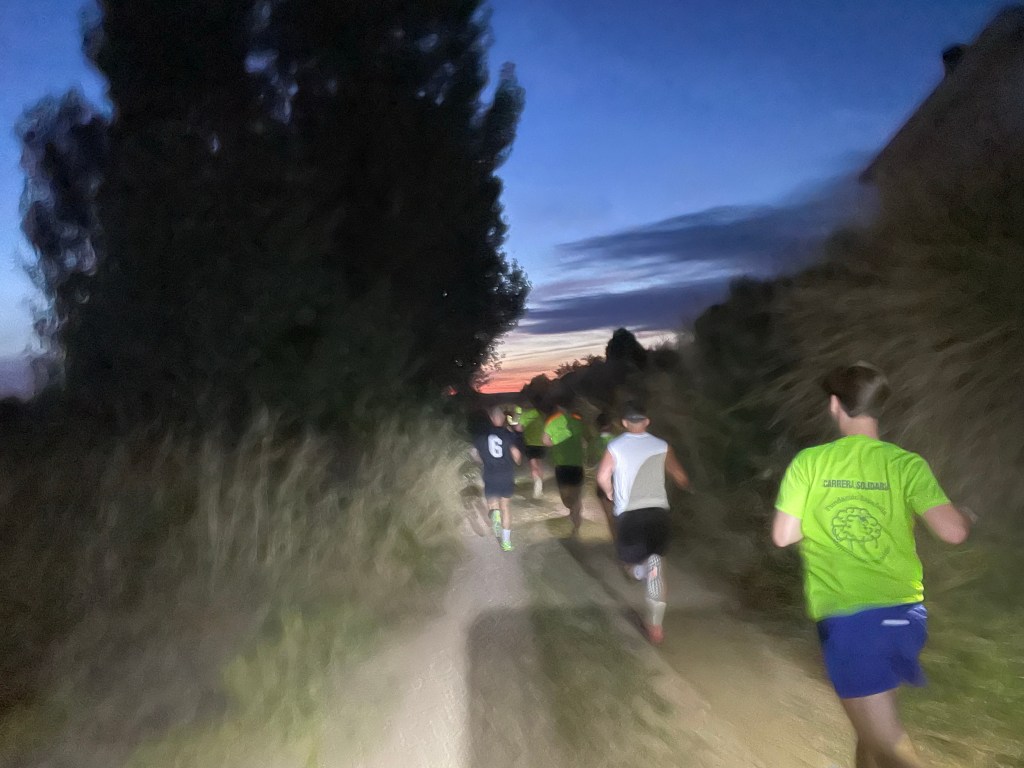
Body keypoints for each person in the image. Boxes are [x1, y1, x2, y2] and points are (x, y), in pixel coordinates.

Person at [771, 363, 972, 768]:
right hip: (905, 616)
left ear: (834, 406)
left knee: (889, 744)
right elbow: (953, 532)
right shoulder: (906, 464)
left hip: (850, 619)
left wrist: (822, 516)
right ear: (878, 408)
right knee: (871, 731)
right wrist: (966, 516)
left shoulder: (810, 463)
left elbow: (783, 535)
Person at [596, 403, 689, 644]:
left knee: (629, 565)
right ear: (647, 421)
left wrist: (609, 492)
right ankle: (655, 625)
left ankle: (639, 571)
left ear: (624, 423)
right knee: (657, 565)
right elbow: (681, 477)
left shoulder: (615, 447)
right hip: (657, 512)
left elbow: (602, 476)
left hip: (629, 514)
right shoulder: (662, 446)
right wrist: (681, 488)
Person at [472, 405, 523, 551]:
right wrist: (517, 462)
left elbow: (474, 454)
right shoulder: (508, 435)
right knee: (505, 507)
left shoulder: (482, 436)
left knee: (493, 505)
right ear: (502, 419)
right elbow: (517, 455)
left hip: (490, 475)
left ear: (491, 418)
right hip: (506, 475)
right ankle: (506, 543)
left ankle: (494, 514)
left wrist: (482, 461)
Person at [543, 400, 587, 535]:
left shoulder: (552, 421)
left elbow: (545, 441)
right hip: (577, 463)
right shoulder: (578, 420)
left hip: (562, 464)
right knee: (577, 493)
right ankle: (576, 516)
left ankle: (573, 511)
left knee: (566, 495)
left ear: (557, 407)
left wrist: (557, 442)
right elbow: (585, 442)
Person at [590, 412, 617, 536]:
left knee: (610, 517)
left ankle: (618, 545)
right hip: (621, 481)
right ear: (611, 425)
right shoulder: (619, 440)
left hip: (603, 483)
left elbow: (589, 462)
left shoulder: (594, 442)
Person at [518, 403, 548, 498]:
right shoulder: (542, 414)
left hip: (530, 443)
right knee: (540, 464)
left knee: (533, 465)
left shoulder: (525, 414)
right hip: (541, 443)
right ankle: (541, 488)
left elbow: (519, 428)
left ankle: (537, 486)